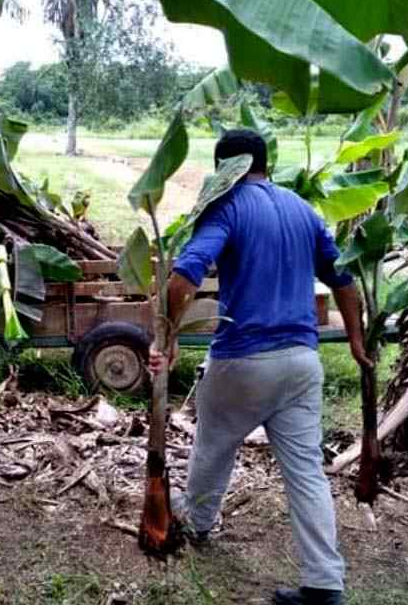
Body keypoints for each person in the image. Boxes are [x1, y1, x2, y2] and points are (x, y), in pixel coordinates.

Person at [148, 130, 370, 605]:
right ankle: (325, 583)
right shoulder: (302, 210)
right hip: (302, 363)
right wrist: (354, 338)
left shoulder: (225, 206)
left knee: (213, 447)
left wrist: (165, 339)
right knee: (307, 473)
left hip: (242, 359)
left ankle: (198, 523)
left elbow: (186, 273)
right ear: (267, 164)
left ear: (224, 169)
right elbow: (344, 278)